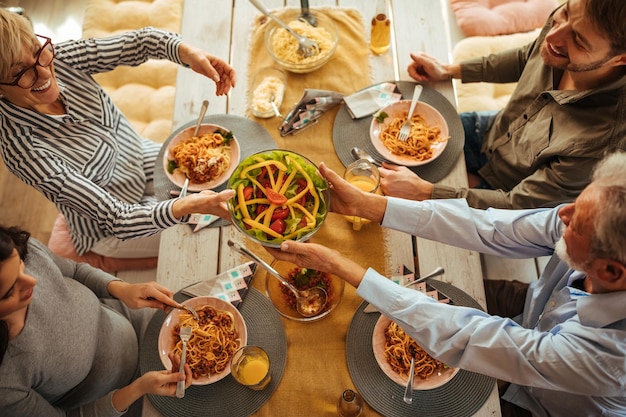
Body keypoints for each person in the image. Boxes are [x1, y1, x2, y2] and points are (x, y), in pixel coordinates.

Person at [267, 151, 626, 416]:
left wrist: (347, 269)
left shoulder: (612, 356)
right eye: (574, 204)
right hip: (531, 313)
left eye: (575, 223)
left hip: (547, 406)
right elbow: (490, 228)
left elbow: (469, 336)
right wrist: (368, 205)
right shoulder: (590, 224)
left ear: (611, 272)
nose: (561, 214)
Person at [0, 8, 237, 259]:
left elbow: (140, 42)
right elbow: (117, 218)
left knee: (226, 175)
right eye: (19, 73)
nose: (45, 73)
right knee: (209, 229)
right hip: (114, 226)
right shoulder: (23, 151)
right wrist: (183, 208)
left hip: (141, 158)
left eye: (38, 52)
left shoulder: (57, 57)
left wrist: (188, 53)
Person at [380, 0, 626, 209]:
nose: (553, 35)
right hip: (490, 129)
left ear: (620, 59)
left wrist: (426, 193)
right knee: (379, 145)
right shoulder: (565, 30)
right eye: (564, 13)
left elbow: (518, 204)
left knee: (398, 205)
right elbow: (528, 55)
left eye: (579, 41)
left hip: (503, 190)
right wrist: (449, 70)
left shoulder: (601, 142)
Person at [0, 225, 193, 416]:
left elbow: (75, 270)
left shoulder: (24, 250)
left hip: (133, 321)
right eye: (10, 291)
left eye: (21, 267)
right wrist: (137, 389)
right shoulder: (7, 384)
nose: (32, 281)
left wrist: (121, 289)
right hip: (125, 399)